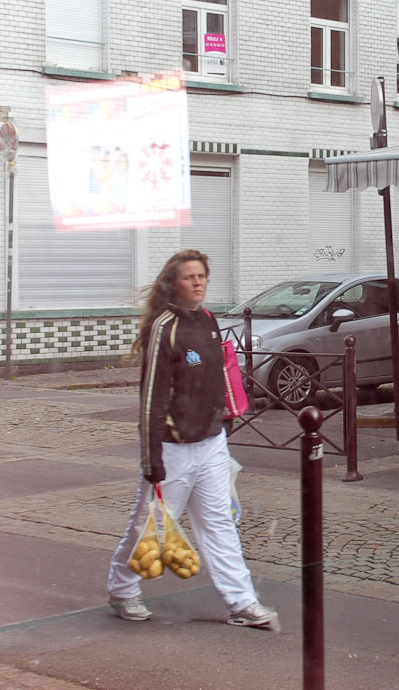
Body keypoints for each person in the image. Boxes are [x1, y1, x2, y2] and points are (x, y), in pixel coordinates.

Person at [106, 249, 277, 629]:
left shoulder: (209, 321)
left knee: (219, 524)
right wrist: (151, 457)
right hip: (172, 446)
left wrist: (222, 426)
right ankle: (123, 590)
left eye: (202, 276)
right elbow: (151, 396)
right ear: (174, 284)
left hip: (212, 441)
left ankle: (242, 602)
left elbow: (218, 379)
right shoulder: (163, 328)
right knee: (150, 524)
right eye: (189, 277)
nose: (198, 283)